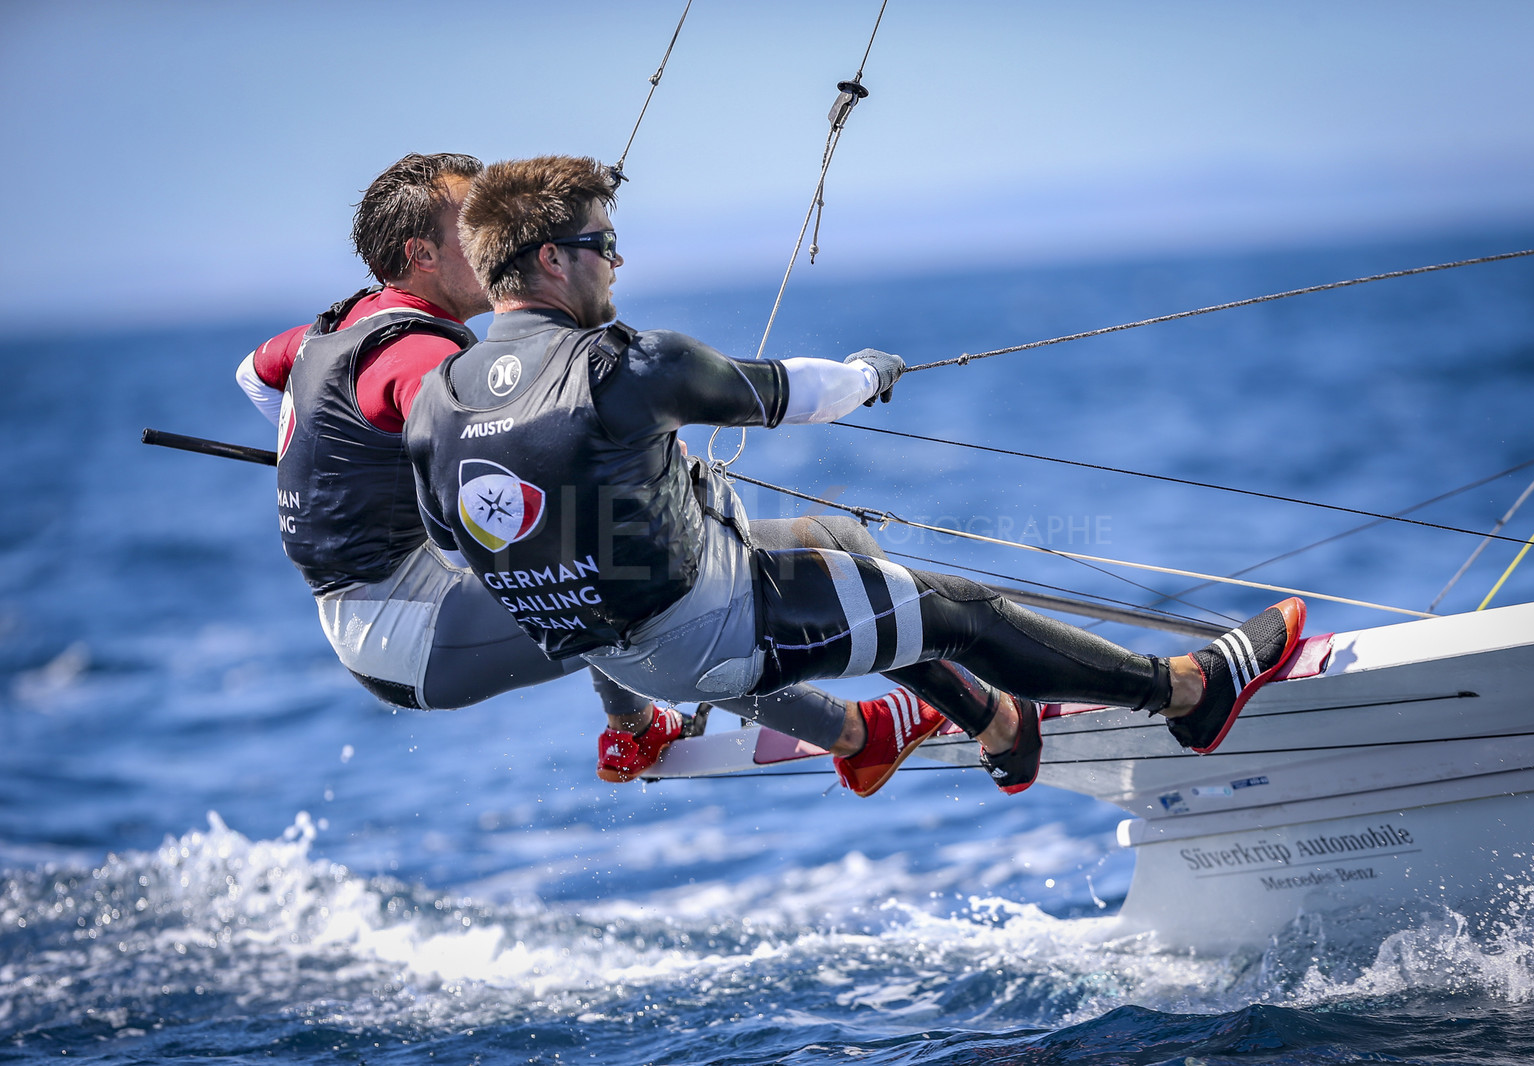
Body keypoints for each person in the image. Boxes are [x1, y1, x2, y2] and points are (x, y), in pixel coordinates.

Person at [403, 155, 1308, 788]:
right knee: (961, 612)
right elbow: (800, 393)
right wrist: (874, 372)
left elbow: (464, 545)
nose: (618, 260)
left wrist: (612, 521)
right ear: (552, 259)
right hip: (710, 635)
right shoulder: (630, 363)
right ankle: (1188, 692)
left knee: (838, 547)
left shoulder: (435, 398)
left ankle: (1001, 729)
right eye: (605, 242)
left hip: (623, 653)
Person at [235, 152, 1006, 791]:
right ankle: (858, 735)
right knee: (638, 593)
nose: (487, 238)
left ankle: (639, 729)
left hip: (373, 612)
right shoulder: (429, 357)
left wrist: (345, 459)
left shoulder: (328, 330)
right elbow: (477, 438)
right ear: (422, 256)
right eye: (467, 227)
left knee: (640, 572)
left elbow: (254, 375)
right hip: (411, 631)